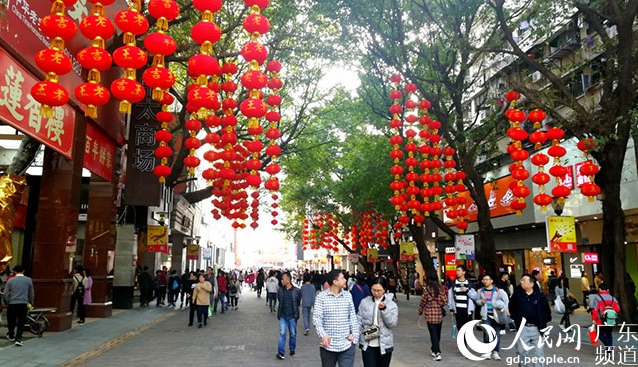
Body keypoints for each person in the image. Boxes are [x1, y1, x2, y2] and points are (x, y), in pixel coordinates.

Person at [313, 269, 359, 367]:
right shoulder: (321, 297)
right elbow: (317, 319)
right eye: (342, 278)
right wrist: (323, 335)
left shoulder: (348, 295)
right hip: (328, 346)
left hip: (346, 345)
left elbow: (353, 318)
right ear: (335, 282)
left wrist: (354, 336)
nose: (345, 280)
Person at [509, 274, 552, 367]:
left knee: (539, 354)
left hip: (537, 328)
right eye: (521, 280)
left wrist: (543, 322)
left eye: (524, 280)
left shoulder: (540, 296)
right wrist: (516, 319)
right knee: (522, 352)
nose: (522, 282)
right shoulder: (517, 295)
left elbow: (547, 311)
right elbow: (511, 308)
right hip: (523, 328)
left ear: (531, 283)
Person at [358, 276, 398, 367]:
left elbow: (392, 323)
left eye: (379, 290)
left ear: (384, 290)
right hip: (368, 342)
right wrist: (357, 335)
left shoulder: (391, 305)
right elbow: (359, 320)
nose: (376, 293)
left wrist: (384, 310)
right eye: (373, 290)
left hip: (384, 343)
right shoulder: (364, 302)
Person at [475, 273, 509, 360]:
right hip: (486, 315)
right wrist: (481, 302)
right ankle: (487, 351)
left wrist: (506, 310)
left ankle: (495, 351)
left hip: (497, 315)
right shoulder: (480, 291)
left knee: (496, 334)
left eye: (487, 279)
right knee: (486, 333)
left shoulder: (498, 291)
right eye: (484, 280)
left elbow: (506, 301)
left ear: (491, 281)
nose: (485, 281)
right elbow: (477, 301)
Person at [418, 272, 448, 361]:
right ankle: (434, 348)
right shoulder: (441, 290)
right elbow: (445, 301)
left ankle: (437, 352)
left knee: (433, 334)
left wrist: (420, 311)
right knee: (437, 334)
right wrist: (439, 303)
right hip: (439, 315)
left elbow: (422, 302)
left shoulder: (427, 290)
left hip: (430, 315)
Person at [4, 265, 34, 347]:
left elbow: (6, 294)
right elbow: (31, 293)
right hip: (23, 303)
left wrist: (8, 302)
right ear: (23, 271)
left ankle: (11, 335)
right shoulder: (28, 280)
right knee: (21, 321)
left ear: (14, 271)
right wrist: (30, 301)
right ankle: (18, 339)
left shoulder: (10, 281)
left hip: (12, 303)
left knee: (11, 321)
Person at [276, 272, 302, 360]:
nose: (281, 281)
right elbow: (279, 300)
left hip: (292, 316)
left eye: (283, 279)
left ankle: (292, 349)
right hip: (283, 315)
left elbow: (298, 301)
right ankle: (281, 352)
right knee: (282, 333)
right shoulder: (280, 290)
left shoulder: (297, 291)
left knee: (293, 334)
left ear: (288, 280)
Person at [589, 283, 620, 351]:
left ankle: (610, 348)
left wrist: (594, 319)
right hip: (611, 320)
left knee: (599, 335)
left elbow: (595, 310)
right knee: (609, 334)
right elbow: (618, 309)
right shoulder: (613, 298)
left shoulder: (598, 298)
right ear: (607, 289)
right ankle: (609, 353)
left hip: (601, 320)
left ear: (600, 289)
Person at [448, 265, 478, 331]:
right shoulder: (453, 284)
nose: (457, 272)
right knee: (460, 329)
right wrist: (451, 308)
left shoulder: (470, 284)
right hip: (458, 309)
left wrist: (467, 291)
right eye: (456, 271)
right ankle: (462, 341)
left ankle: (467, 341)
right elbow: (450, 296)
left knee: (468, 329)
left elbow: (475, 296)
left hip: (468, 310)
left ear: (464, 272)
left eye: (459, 271)